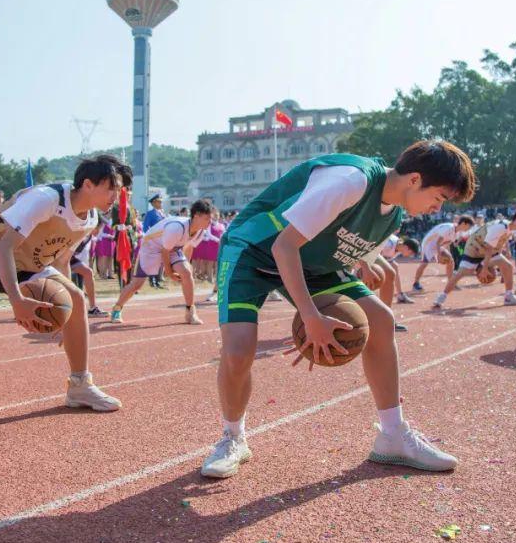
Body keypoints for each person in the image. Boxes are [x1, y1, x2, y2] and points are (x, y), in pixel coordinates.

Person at [200, 142, 476, 479]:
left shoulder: (394, 216)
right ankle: (232, 438)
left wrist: (362, 260)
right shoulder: (351, 180)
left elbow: (335, 230)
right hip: (252, 250)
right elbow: (283, 245)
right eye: (440, 197)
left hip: (309, 262)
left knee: (380, 320)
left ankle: (392, 435)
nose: (438, 208)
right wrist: (310, 317)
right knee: (239, 351)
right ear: (415, 179)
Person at [0, 155, 131, 417]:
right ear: (88, 184)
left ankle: (79, 385)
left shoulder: (89, 220)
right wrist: (17, 301)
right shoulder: (46, 199)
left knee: (75, 298)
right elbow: (3, 249)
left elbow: (61, 258)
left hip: (27, 264)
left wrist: (64, 316)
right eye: (111, 187)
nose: (115, 195)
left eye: (118, 189)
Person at [110, 199, 214, 325]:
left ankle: (190, 312)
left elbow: (188, 247)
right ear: (196, 216)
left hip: (173, 247)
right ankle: (117, 308)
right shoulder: (176, 227)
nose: (210, 221)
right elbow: (165, 252)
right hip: (151, 248)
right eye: (207, 218)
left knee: (187, 273)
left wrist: (186, 268)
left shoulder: (200, 231)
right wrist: (169, 273)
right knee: (137, 284)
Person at [432, 208, 516, 309]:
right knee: (461, 273)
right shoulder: (499, 227)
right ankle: (442, 296)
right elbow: (489, 248)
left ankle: (508, 296)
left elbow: (499, 243)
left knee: (508, 266)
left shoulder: (512, 228)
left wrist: (506, 251)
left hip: (488, 250)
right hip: (474, 249)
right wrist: (484, 269)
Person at [411, 216, 474, 291]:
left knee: (451, 261)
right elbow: (437, 242)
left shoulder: (459, 233)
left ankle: (451, 283)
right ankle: (416, 283)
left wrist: (445, 253)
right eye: (469, 226)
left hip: (439, 245)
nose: (469, 229)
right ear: (463, 223)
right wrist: (439, 255)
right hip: (429, 244)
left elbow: (448, 243)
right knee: (424, 263)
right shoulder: (448, 228)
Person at [142, 194, 168, 289]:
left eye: (161, 201)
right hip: (154, 240)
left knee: (159, 261)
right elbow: (145, 227)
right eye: (159, 201)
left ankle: (157, 280)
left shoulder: (162, 213)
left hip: (162, 240)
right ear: (153, 203)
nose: (161, 203)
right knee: (153, 261)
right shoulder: (150, 213)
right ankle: (152, 280)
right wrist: (149, 239)